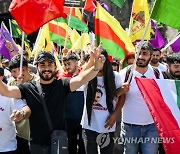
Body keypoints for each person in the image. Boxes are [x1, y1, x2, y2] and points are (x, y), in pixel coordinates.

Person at [0, 49, 105, 154]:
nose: (46, 68)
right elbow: (6, 91)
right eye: (42, 65)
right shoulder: (28, 88)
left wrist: (96, 68)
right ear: (37, 67)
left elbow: (81, 79)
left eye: (50, 64)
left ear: (55, 67)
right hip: (36, 145)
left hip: (58, 143)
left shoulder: (62, 85)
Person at [119, 42, 164, 154]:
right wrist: (121, 90)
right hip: (130, 126)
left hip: (151, 126)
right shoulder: (125, 73)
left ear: (150, 55)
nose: (140, 57)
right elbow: (113, 96)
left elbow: (163, 97)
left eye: (144, 54)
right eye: (138, 53)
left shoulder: (157, 74)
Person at [81, 50, 127, 154]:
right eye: (96, 59)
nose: (99, 61)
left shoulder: (115, 77)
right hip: (89, 126)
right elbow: (80, 76)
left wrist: (115, 115)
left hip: (108, 125)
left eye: (101, 58)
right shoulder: (87, 76)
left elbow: (122, 96)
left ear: (106, 60)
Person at [8, 54, 38, 154]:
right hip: (18, 133)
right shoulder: (12, 83)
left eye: (14, 71)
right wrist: (18, 87)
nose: (12, 74)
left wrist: (22, 89)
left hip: (35, 133)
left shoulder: (37, 82)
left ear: (23, 69)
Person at [58, 52, 86, 154]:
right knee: (71, 145)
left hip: (83, 118)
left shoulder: (85, 75)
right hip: (68, 118)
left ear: (76, 63)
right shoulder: (62, 77)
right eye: (65, 64)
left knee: (83, 145)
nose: (66, 67)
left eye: (69, 64)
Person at [0, 67, 31, 153]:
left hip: (6, 148)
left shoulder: (8, 95)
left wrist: (21, 114)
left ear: (1, 77)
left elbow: (26, 109)